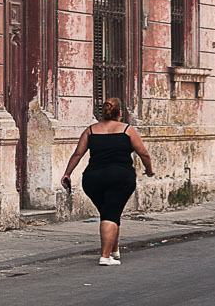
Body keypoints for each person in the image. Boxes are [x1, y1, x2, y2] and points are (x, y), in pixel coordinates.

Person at [61, 97, 154, 266]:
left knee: (110, 211)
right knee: (110, 213)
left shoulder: (91, 130)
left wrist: (67, 173)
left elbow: (77, 154)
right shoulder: (127, 130)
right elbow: (144, 154)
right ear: (120, 113)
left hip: (93, 179)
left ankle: (114, 250)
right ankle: (105, 256)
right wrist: (149, 170)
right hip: (120, 177)